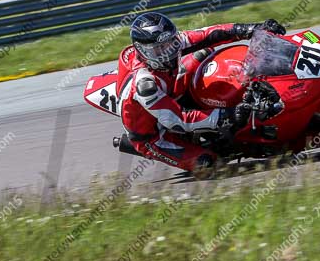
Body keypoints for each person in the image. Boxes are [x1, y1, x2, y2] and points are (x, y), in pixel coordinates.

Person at [116, 12, 286, 175]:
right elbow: (177, 120)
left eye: (169, 44)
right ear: (143, 51)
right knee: (209, 165)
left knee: (206, 51)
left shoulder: (172, 43)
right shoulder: (145, 85)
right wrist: (228, 116)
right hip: (155, 134)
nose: (168, 52)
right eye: (159, 49)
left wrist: (252, 29)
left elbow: (210, 33)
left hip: (170, 90)